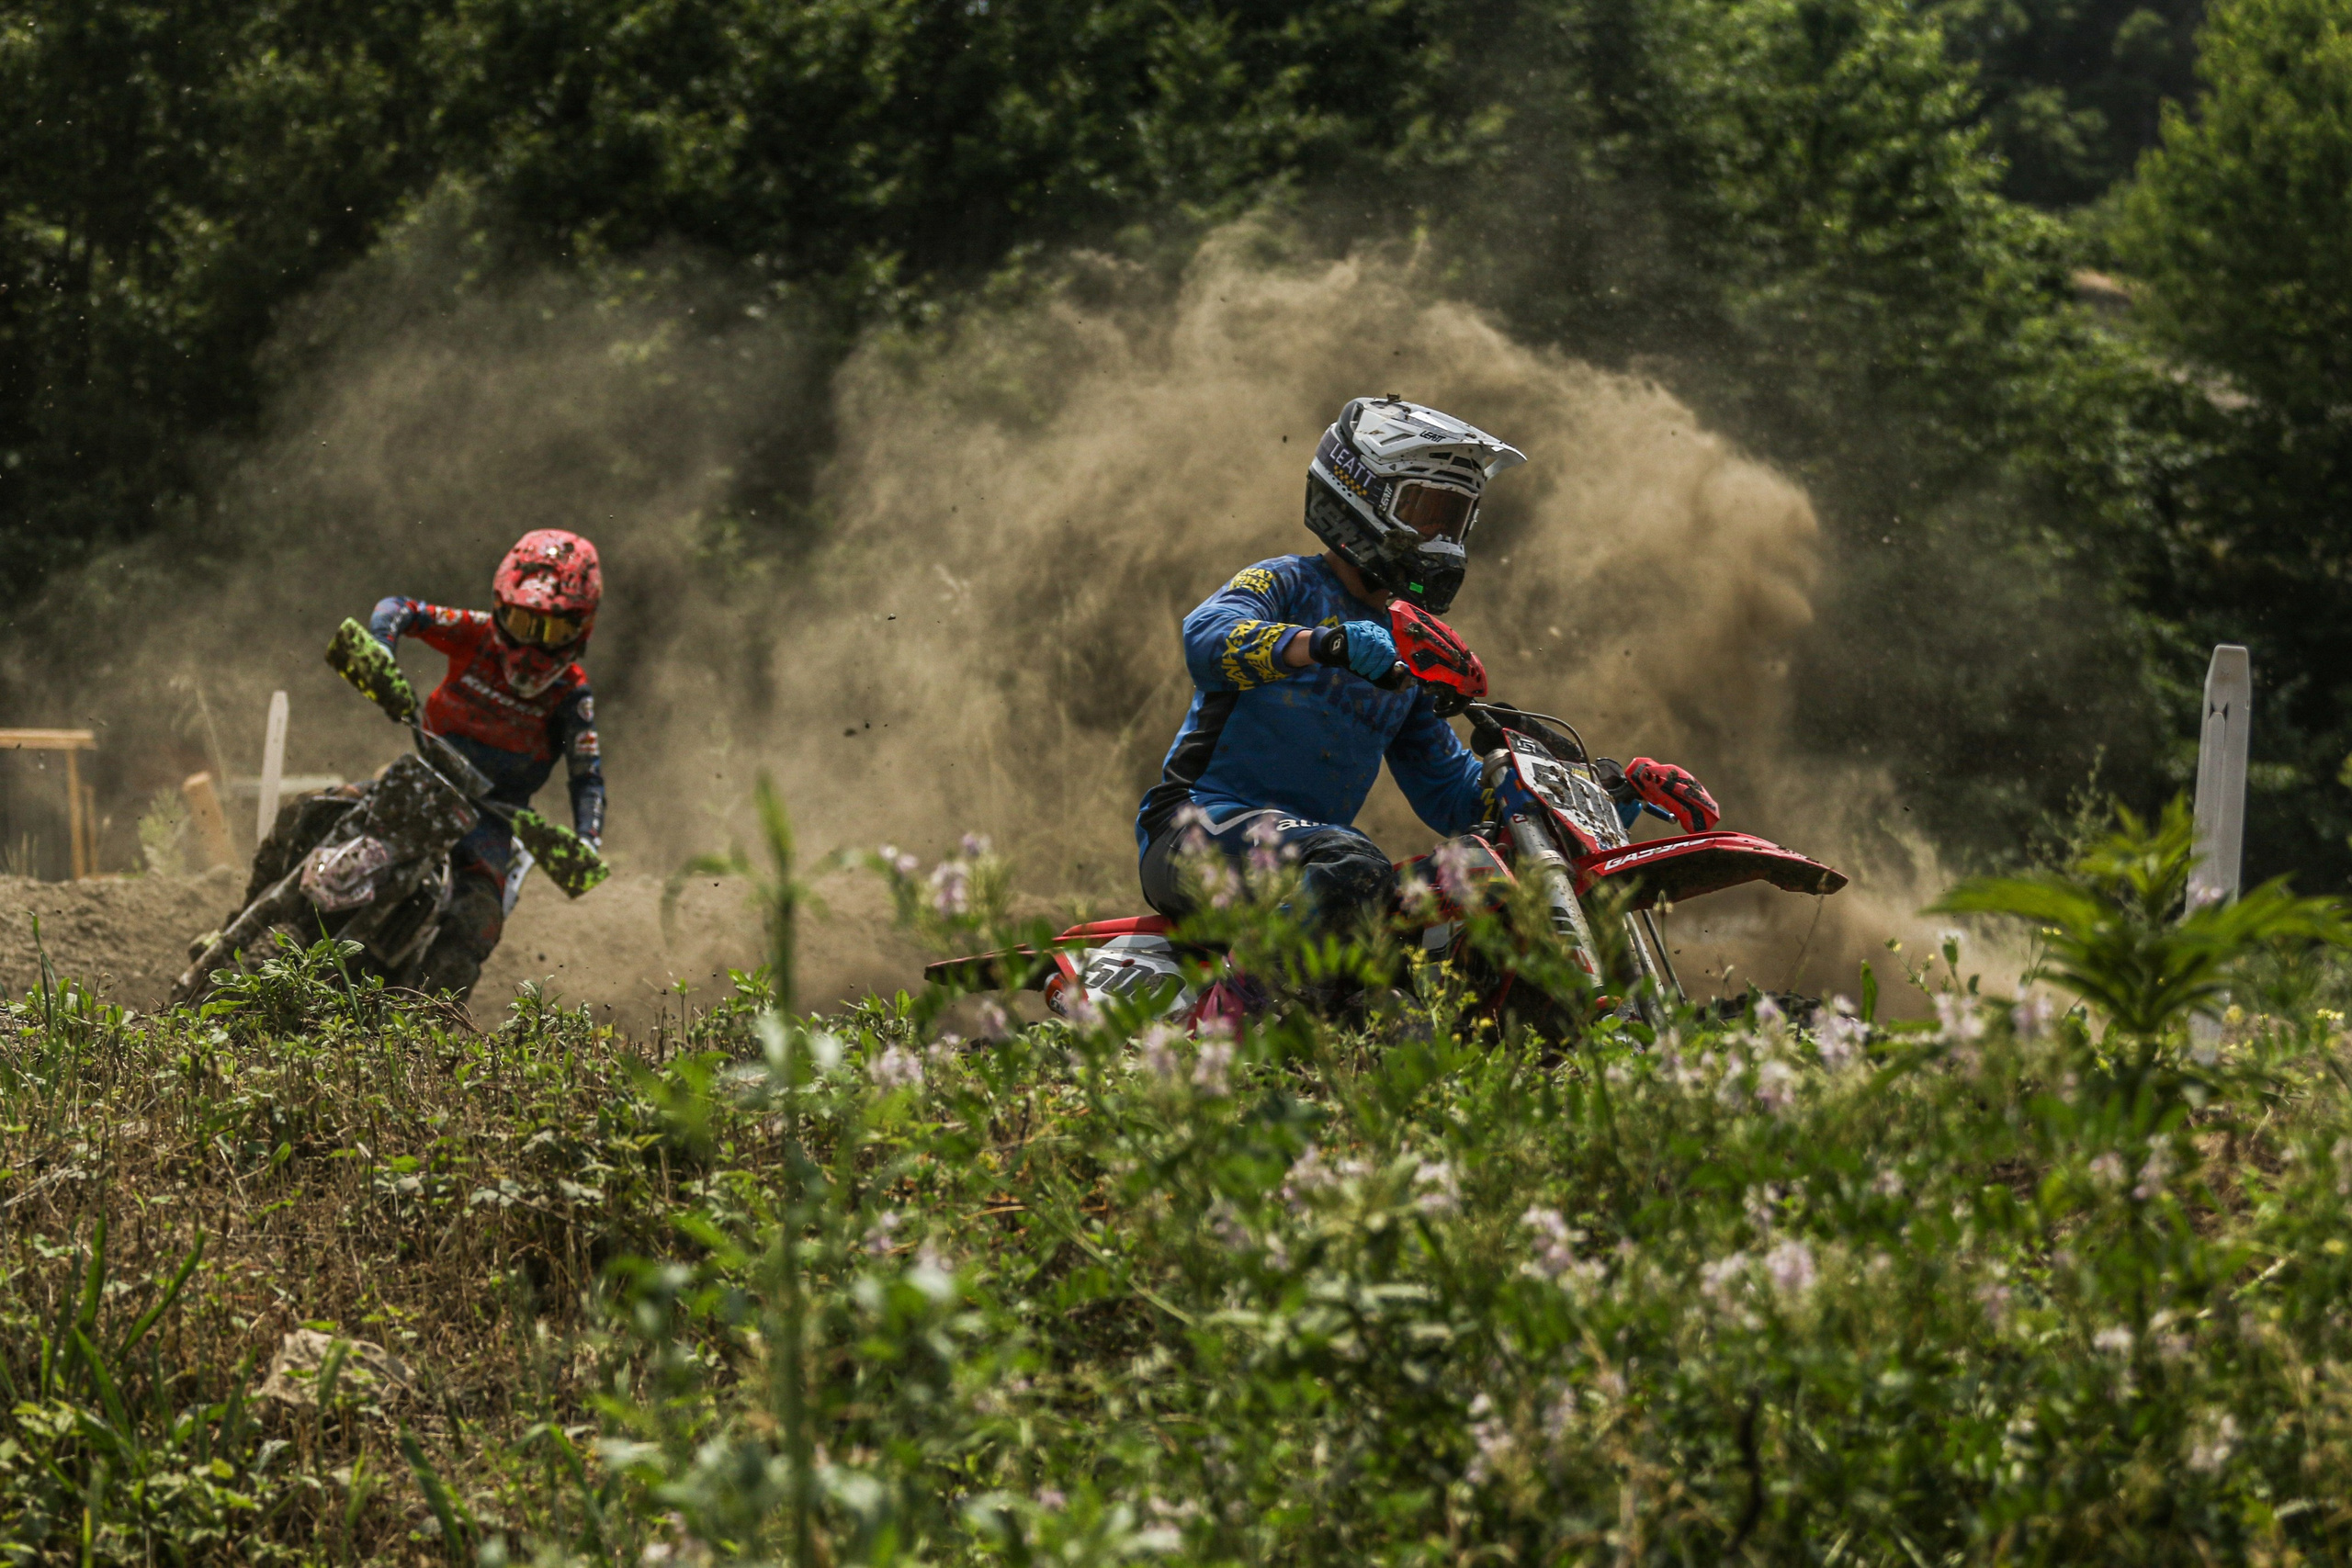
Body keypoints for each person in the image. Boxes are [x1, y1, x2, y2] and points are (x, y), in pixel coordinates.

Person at [1135, 395, 1718, 932]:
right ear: (1359, 492)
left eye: (1455, 519)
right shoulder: (1284, 581)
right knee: (1354, 864)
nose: (1441, 539)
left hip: (1308, 858)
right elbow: (1206, 639)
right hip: (1195, 831)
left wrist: (1605, 793)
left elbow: (1455, 795)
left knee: (1476, 875)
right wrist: (1322, 643)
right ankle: (1246, 1014)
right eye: (1426, 513)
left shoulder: (1405, 651)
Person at [365, 528, 606, 999]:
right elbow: (398, 607)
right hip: (428, 775)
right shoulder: (474, 631)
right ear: (500, 607)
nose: (532, 646)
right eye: (521, 621)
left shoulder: (572, 694)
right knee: (322, 809)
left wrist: (587, 841)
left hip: (492, 815)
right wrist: (381, 647)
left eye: (552, 630)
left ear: (581, 628)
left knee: (478, 919)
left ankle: (418, 1024)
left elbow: (587, 774)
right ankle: (250, 916)